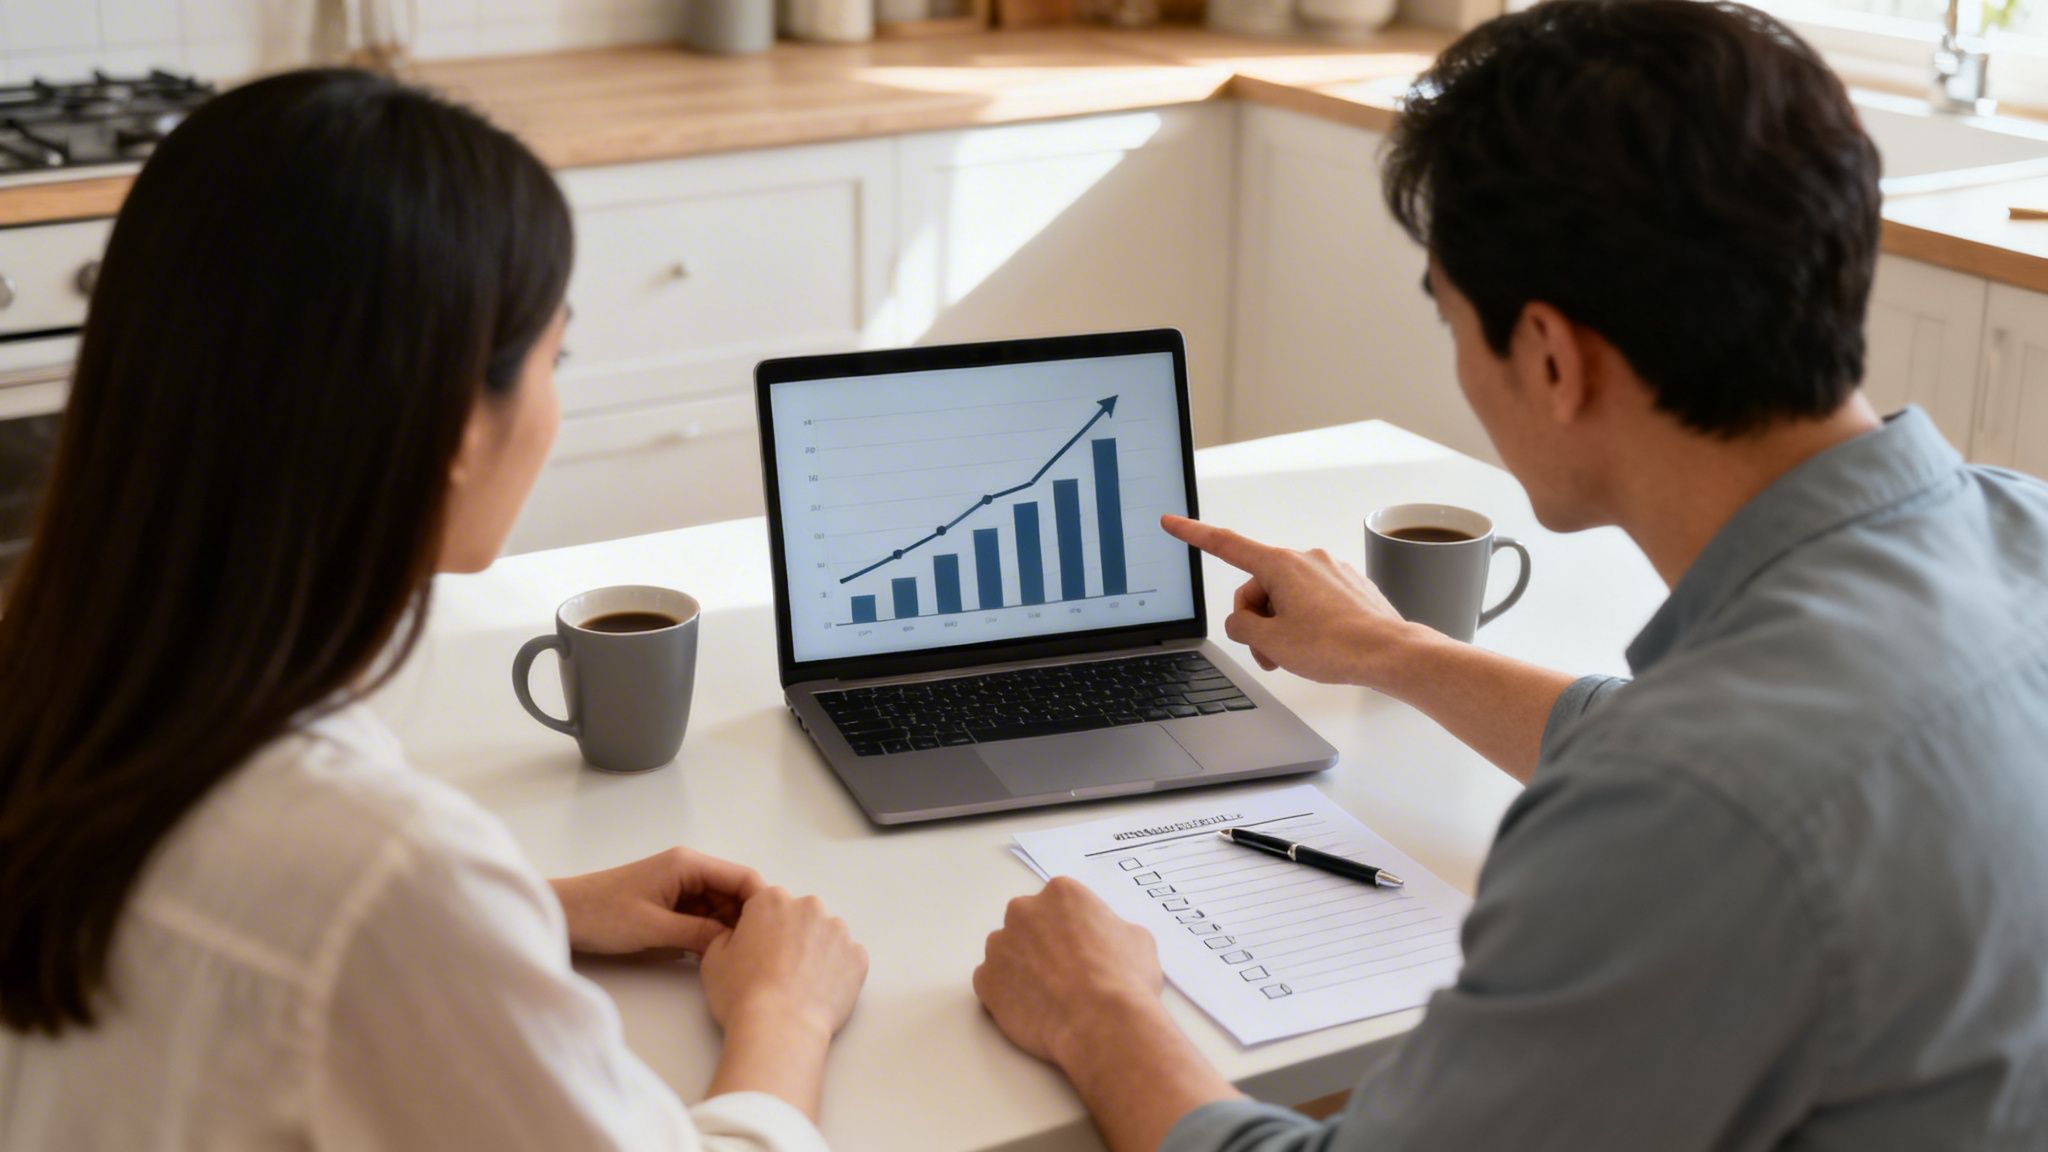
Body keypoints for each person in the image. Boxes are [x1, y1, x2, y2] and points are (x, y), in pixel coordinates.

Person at [973, 1, 2048, 1148]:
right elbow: (1711, 748)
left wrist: (1097, 1013)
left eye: (1452, 321)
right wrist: (1390, 649)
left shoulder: (1687, 812)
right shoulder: (2011, 528)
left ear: (1545, 355)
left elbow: (1701, 785)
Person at [0, 70, 865, 1149]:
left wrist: (523, 910)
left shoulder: (63, 703)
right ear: (460, 423)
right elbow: (340, 915)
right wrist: (784, 1013)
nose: (554, 403)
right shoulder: (378, 874)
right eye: (557, 356)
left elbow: (237, 926)